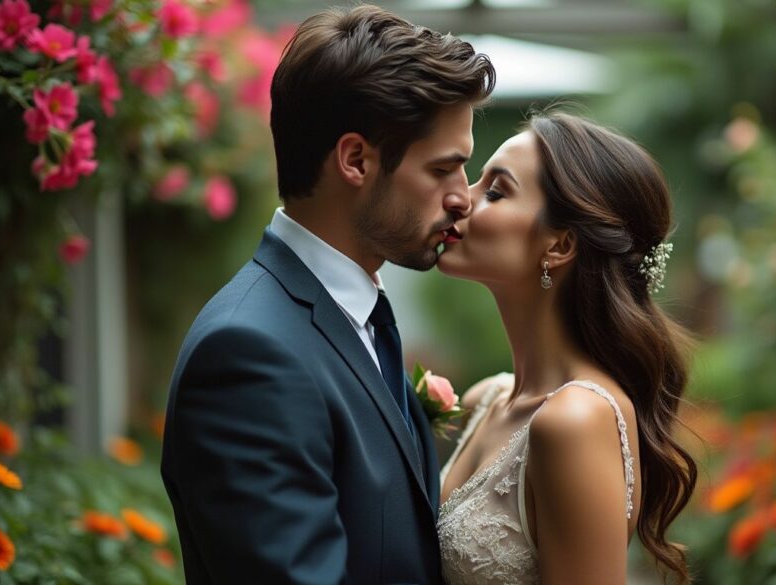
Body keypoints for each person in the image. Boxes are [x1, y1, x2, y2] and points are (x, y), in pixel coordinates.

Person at [160, 5, 495, 583]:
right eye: (445, 168)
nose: (463, 197)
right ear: (355, 160)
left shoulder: (355, 318)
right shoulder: (249, 354)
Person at [436, 111, 697, 584]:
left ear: (559, 245)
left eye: (495, 191)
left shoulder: (573, 422)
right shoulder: (486, 400)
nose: (458, 198)